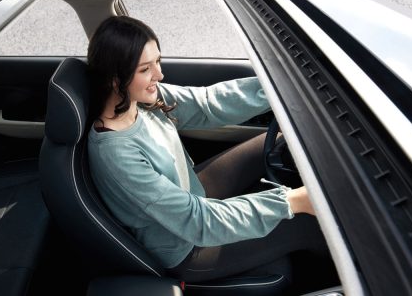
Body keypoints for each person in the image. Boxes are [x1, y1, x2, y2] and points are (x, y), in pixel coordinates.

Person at [86, 15, 326, 283]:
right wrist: (293, 200)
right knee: (311, 223)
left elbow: (207, 104)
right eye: (145, 69)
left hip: (192, 192)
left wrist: (283, 87)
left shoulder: (139, 101)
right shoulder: (116, 153)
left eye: (158, 61)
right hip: (186, 247)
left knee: (281, 145)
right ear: (115, 79)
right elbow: (197, 220)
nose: (159, 75)